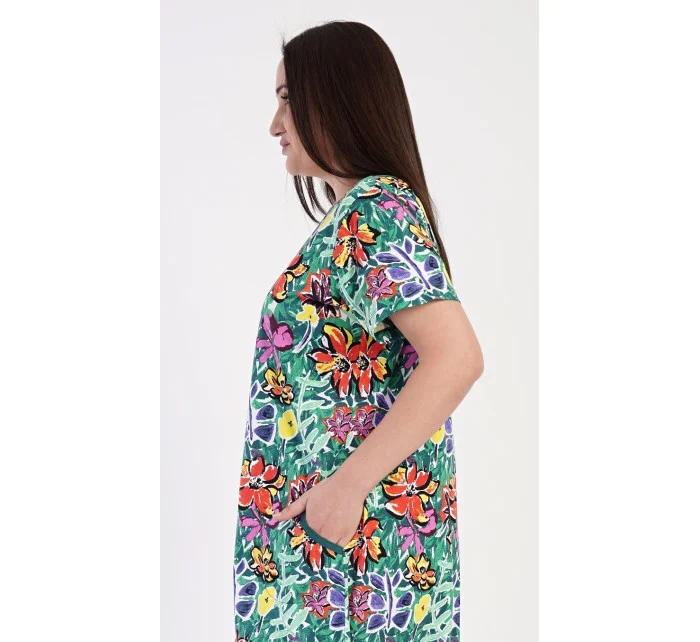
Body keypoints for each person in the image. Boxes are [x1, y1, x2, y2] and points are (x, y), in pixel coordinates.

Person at [233, 20, 484, 642]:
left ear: (334, 97)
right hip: (333, 562)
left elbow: (456, 357)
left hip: (354, 571)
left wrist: (345, 489)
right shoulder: (358, 215)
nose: (275, 124)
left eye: (287, 99)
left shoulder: (374, 211)